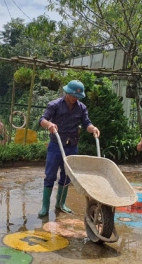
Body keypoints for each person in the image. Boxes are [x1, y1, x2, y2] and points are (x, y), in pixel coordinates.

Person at [38, 80, 100, 217]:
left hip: (72, 146)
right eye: (73, 95)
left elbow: (86, 123)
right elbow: (42, 119)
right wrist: (49, 125)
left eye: (77, 96)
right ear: (67, 92)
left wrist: (93, 129)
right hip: (56, 145)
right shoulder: (54, 105)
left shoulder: (82, 108)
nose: (75, 98)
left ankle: (61, 204)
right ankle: (45, 206)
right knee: (50, 175)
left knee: (67, 176)